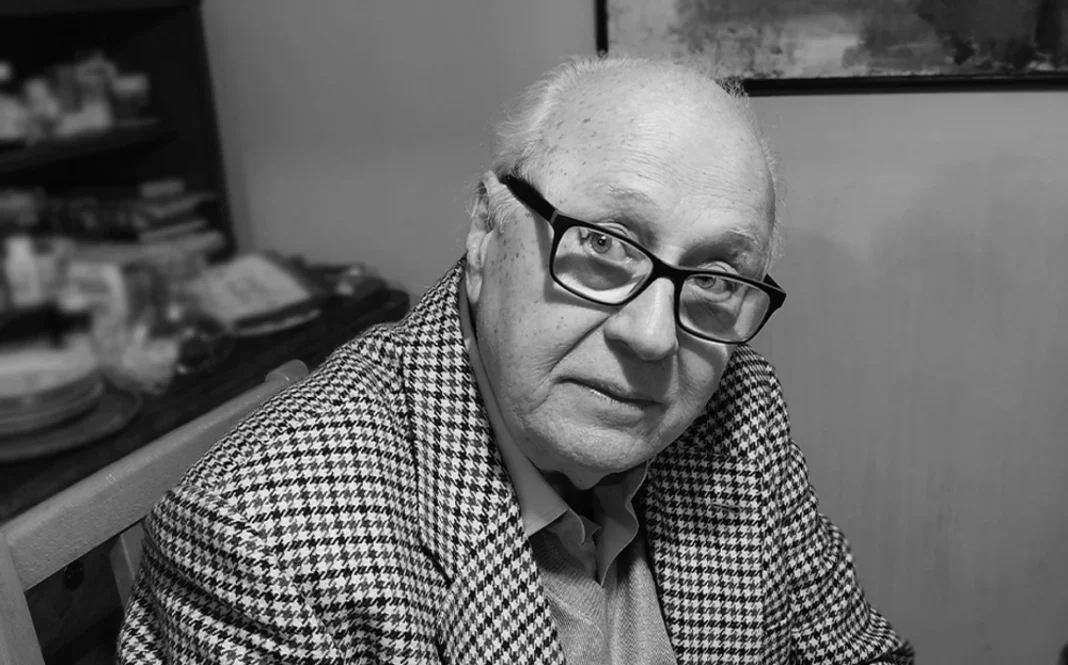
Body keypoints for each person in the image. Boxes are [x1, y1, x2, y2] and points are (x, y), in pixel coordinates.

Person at [118, 55, 914, 664]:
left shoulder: (741, 410)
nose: (653, 336)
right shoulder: (264, 539)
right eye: (604, 244)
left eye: (711, 279)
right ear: (485, 229)